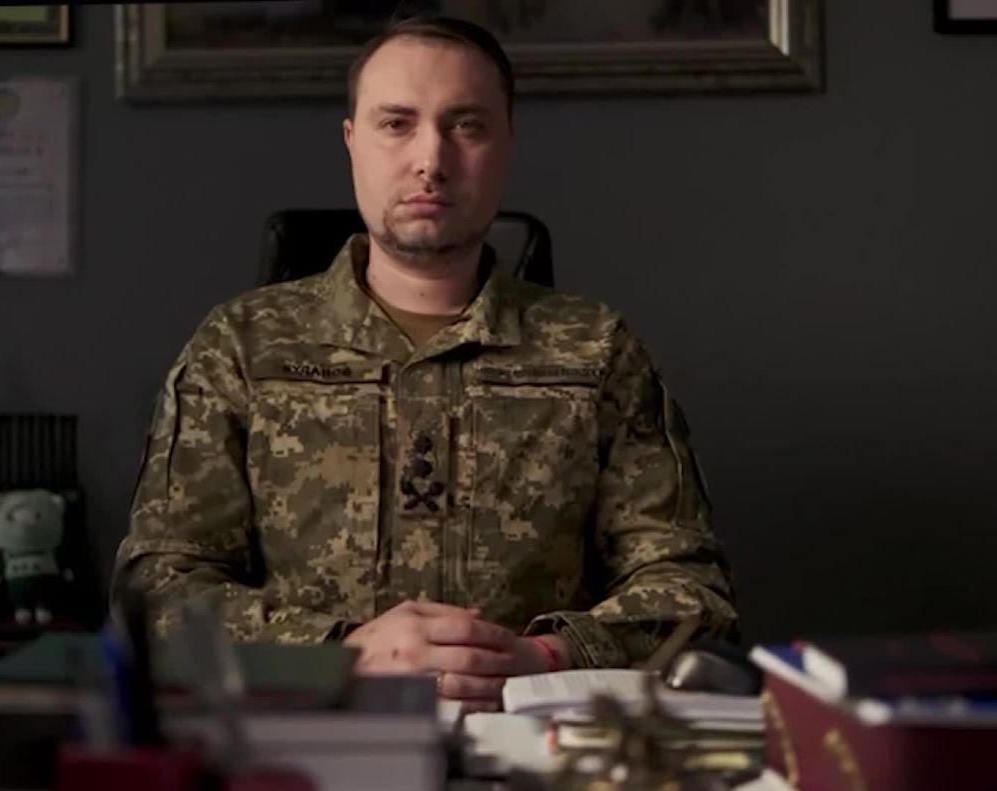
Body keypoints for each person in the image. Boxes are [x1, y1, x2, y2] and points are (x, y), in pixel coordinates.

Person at [111, 15, 737, 711]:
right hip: (312, 732)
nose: (431, 160)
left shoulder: (596, 349)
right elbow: (155, 591)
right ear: (352, 140)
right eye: (396, 124)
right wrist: (338, 650)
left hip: (531, 732)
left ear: (506, 144)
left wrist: (544, 656)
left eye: (466, 125)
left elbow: (692, 594)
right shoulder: (242, 346)